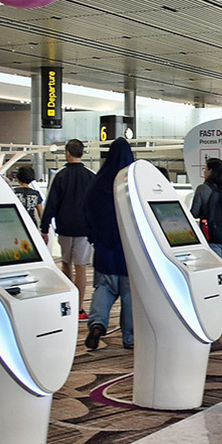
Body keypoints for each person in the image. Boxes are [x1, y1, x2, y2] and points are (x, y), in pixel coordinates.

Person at [83, 138, 135, 350]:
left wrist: (94, 237)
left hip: (104, 249)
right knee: (130, 294)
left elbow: (86, 212)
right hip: (129, 252)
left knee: (104, 288)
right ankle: (130, 338)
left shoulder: (98, 182)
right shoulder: (132, 184)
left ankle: (97, 323)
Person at [40, 139, 95, 321]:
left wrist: (44, 227)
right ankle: (79, 309)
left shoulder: (60, 175)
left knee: (66, 264)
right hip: (85, 228)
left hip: (64, 227)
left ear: (67, 153)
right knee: (81, 267)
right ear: (81, 153)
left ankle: (68, 306)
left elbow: (51, 203)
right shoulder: (91, 175)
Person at [190, 158, 222, 265]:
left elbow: (194, 213)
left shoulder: (203, 189)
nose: (204, 172)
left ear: (210, 171)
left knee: (215, 271)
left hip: (212, 236)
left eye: (205, 169)